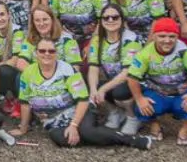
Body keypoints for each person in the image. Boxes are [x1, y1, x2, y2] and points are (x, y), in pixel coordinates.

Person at [12, 32, 154, 149]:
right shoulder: (27, 73)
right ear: (36, 53)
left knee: (87, 132)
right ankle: (95, 135)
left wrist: (74, 125)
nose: (46, 54)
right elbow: (25, 102)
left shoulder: (67, 69)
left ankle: (131, 140)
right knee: (60, 139)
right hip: (53, 120)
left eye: (51, 51)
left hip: (80, 109)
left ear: (56, 53)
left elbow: (83, 100)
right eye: (42, 51)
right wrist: (23, 127)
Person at [124, 17, 187, 145]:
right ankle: (154, 125)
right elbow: (132, 77)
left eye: (172, 36)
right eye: (162, 36)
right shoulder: (145, 53)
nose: (167, 40)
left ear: (177, 36)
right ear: (154, 36)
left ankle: (186, 130)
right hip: (157, 92)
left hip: (182, 92)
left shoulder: (186, 51)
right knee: (141, 107)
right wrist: (139, 99)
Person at [83, 5, 140, 132]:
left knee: (119, 92)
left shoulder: (130, 39)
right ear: (101, 21)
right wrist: (93, 90)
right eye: (106, 17)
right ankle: (115, 113)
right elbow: (93, 67)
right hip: (114, 79)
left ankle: (133, 117)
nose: (110, 20)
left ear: (122, 20)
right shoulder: (97, 40)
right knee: (92, 84)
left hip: (132, 80)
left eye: (115, 17)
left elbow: (127, 73)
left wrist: (103, 89)